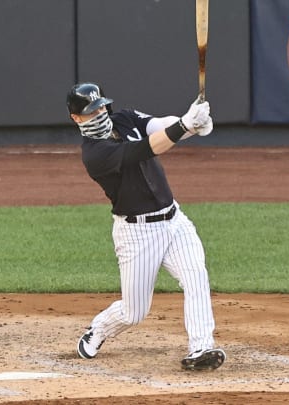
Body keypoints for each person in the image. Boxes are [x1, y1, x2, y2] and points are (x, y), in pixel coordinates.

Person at [66, 82, 226, 371]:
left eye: (101, 105)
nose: (100, 112)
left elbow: (157, 126)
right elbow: (148, 148)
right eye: (91, 111)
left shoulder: (124, 118)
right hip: (137, 234)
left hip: (174, 221)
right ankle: (99, 329)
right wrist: (184, 127)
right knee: (134, 312)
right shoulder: (95, 154)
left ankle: (201, 347)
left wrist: (190, 124)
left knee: (195, 277)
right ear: (76, 118)